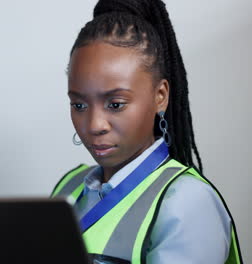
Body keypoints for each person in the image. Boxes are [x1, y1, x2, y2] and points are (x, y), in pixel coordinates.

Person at [50, 0, 243, 263]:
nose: (94, 125)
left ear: (160, 96)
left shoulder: (186, 202)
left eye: (115, 104)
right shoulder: (69, 187)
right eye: (79, 105)